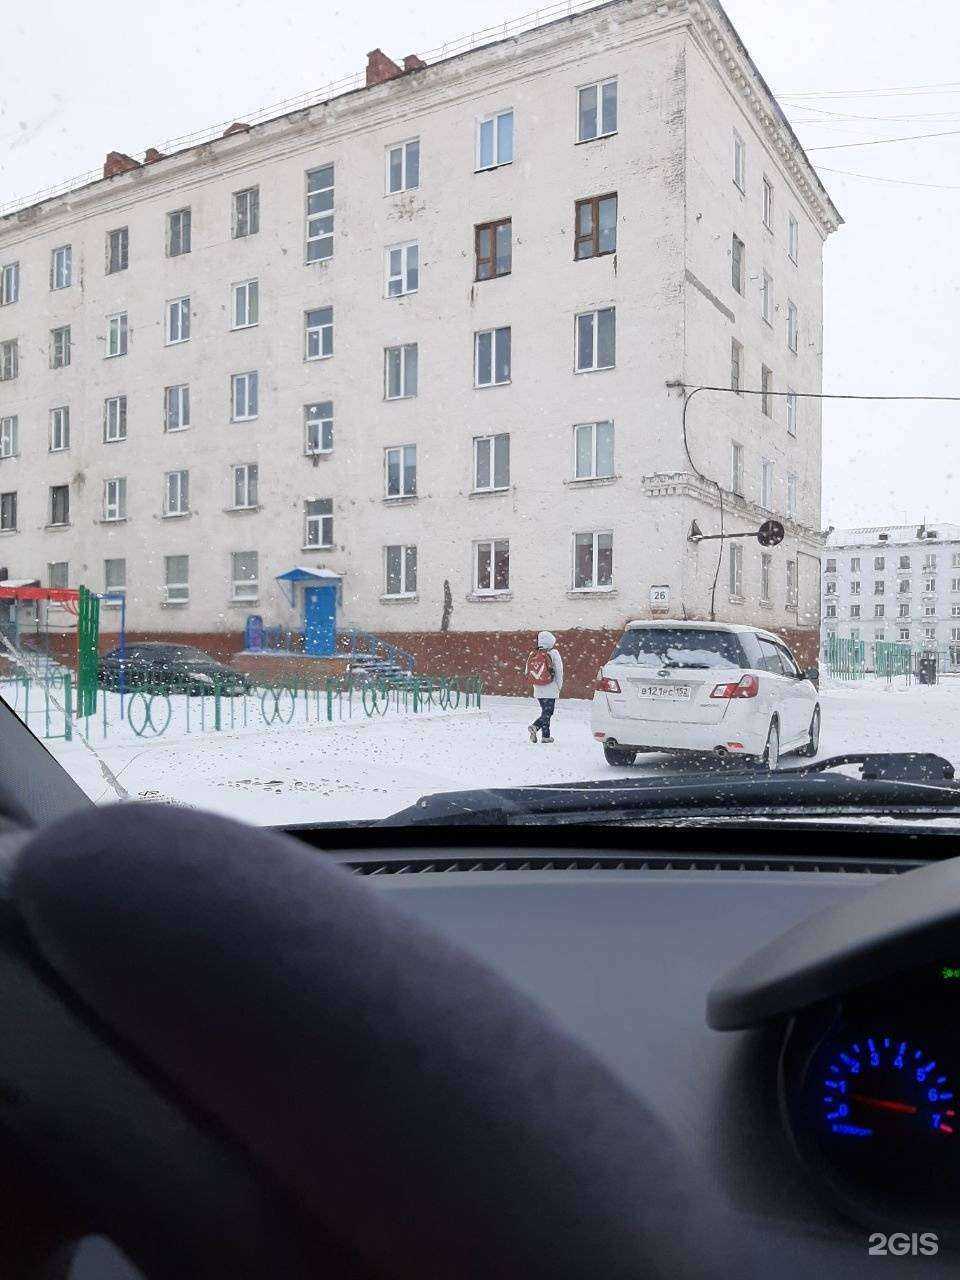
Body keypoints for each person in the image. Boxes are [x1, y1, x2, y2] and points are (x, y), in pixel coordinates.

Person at [526, 630, 564, 744]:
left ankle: (546, 736)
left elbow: (527, 672)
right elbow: (559, 671)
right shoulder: (554, 653)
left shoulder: (533, 654)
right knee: (548, 712)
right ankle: (535, 726)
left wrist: (536, 683)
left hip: (538, 688)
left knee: (545, 712)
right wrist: (559, 686)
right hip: (551, 687)